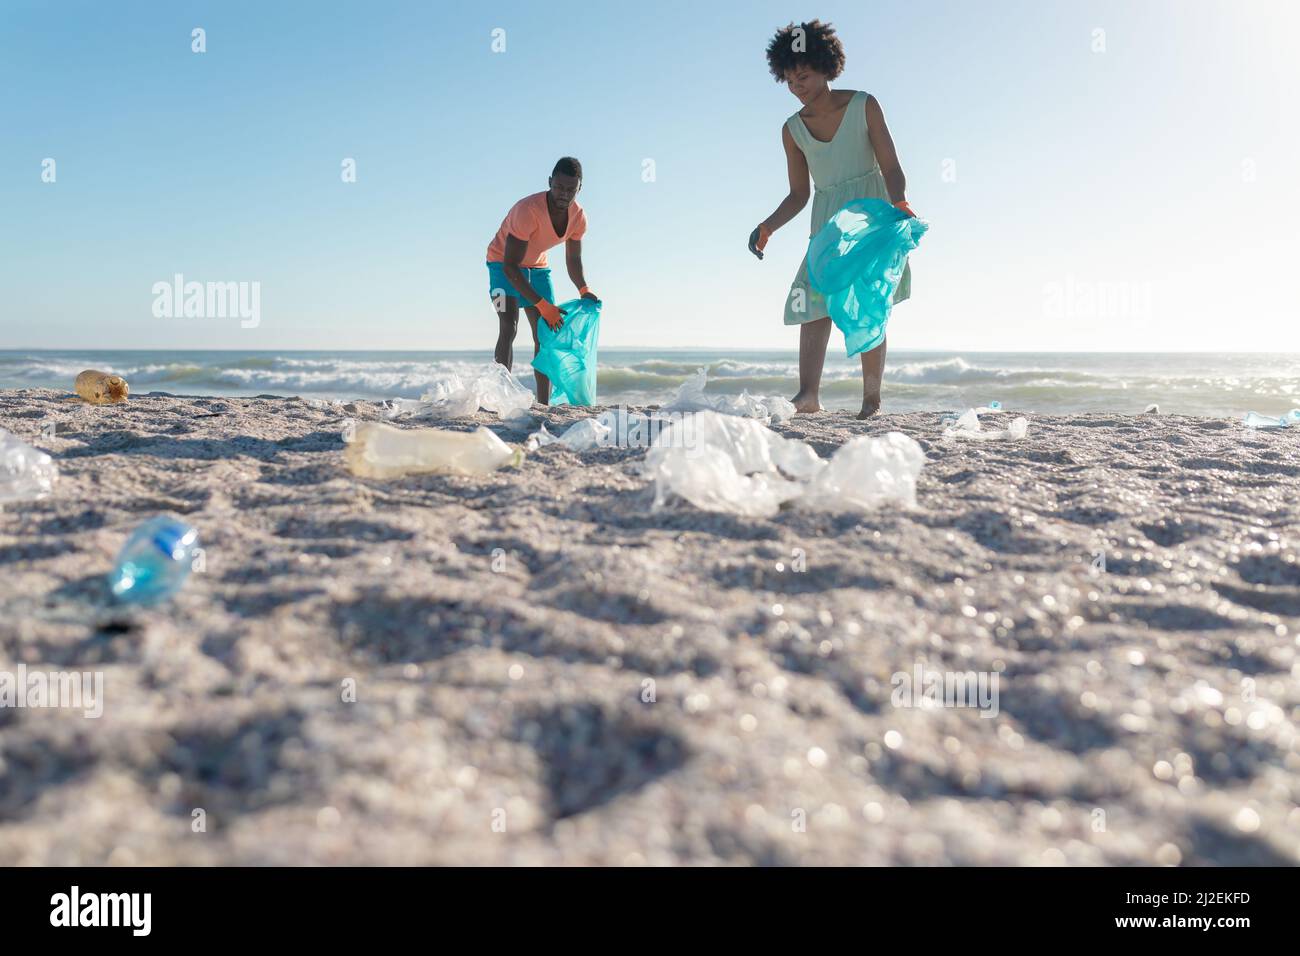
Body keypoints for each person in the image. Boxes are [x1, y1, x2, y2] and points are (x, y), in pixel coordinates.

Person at [749, 20, 917, 418]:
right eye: (789, 80)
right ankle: (808, 395)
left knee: (869, 302)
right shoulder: (792, 131)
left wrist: (900, 200)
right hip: (827, 223)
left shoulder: (864, 105)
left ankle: (871, 400)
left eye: (803, 75)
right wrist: (768, 225)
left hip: (871, 214)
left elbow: (891, 165)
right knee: (812, 300)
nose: (797, 85)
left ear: (827, 67)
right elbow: (798, 194)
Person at [486, 157, 599, 404]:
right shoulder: (528, 210)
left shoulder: (578, 218)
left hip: (538, 268)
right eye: (559, 187)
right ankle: (499, 396)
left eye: (571, 189)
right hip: (501, 264)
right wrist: (543, 306)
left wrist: (583, 288)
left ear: (579, 189)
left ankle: (543, 404)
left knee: (545, 334)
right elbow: (510, 267)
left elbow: (573, 260)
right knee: (509, 325)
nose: (564, 194)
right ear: (550, 182)